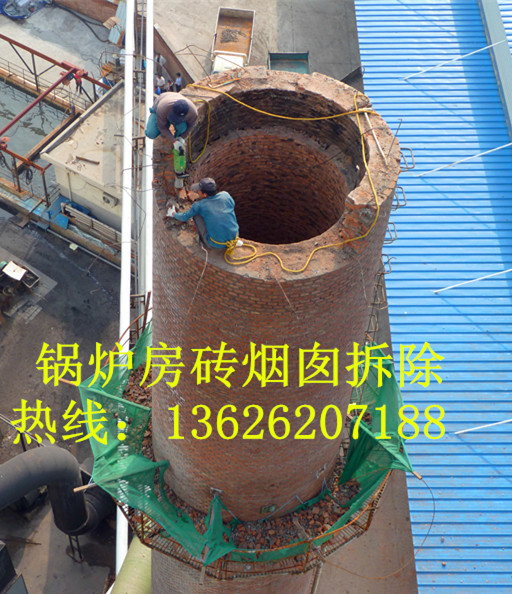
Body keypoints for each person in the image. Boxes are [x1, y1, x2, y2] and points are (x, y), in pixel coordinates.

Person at [168, 178, 239, 249]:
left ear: (205, 195)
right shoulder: (225, 195)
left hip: (216, 244)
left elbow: (184, 217)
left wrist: (173, 214)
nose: (197, 192)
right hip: (235, 238)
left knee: (196, 215)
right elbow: (232, 206)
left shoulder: (199, 205)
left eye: (199, 191)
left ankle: (204, 242)